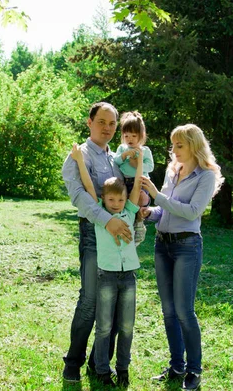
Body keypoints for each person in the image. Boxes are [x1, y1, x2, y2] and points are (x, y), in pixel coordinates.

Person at [139, 124, 224, 390]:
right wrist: (149, 213)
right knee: (168, 311)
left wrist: (156, 195)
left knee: (185, 311)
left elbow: (191, 212)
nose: (173, 150)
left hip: (187, 246)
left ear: (194, 146)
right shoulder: (172, 170)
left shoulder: (206, 176)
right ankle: (177, 366)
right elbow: (166, 211)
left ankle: (194, 371)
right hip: (162, 245)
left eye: (179, 145)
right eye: (173, 145)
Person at [61, 102, 133, 383]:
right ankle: (73, 363)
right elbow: (79, 196)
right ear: (89, 122)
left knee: (114, 305)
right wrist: (107, 220)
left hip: (118, 240)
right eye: (101, 122)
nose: (107, 128)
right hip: (93, 234)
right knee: (90, 302)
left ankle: (98, 363)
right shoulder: (77, 156)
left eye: (112, 124)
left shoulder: (116, 158)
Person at [70, 143, 143, 387]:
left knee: (126, 326)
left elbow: (136, 189)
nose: (115, 203)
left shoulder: (130, 211)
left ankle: (122, 368)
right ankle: (101, 370)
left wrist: (139, 161)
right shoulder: (101, 216)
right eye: (110, 199)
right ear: (104, 199)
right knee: (104, 326)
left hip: (129, 277)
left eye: (119, 199)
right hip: (107, 276)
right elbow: (89, 187)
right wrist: (80, 160)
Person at [113, 111, 154, 246]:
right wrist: (124, 156)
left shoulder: (145, 150)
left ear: (141, 136)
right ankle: (126, 228)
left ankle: (140, 226)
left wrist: (138, 163)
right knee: (126, 207)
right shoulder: (122, 148)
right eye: (126, 136)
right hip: (125, 183)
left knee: (139, 202)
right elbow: (116, 161)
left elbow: (150, 167)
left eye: (133, 135)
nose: (129, 139)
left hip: (141, 183)